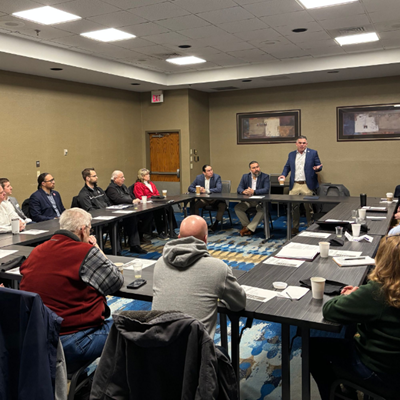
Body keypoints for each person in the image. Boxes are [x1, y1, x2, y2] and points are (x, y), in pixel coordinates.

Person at [19, 208, 123, 372]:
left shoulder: (37, 250)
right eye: (89, 229)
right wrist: (95, 246)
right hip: (73, 340)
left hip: (37, 337)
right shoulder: (85, 251)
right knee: (128, 328)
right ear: (83, 230)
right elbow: (116, 281)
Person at [310, 235, 400, 400]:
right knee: (353, 325)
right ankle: (347, 388)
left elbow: (330, 309)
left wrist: (352, 296)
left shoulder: (379, 292)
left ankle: (336, 396)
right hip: (395, 368)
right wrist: (361, 297)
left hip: (380, 374)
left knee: (312, 348)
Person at [152, 215, 246, 338]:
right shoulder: (217, 267)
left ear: (179, 237)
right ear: (205, 239)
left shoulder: (160, 263)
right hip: (197, 353)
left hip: (157, 349)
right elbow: (239, 304)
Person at [79, 168, 146, 254]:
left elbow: (108, 203)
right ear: (87, 178)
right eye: (94, 176)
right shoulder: (83, 194)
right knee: (114, 224)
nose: (97, 177)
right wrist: (105, 213)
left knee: (131, 218)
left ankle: (134, 246)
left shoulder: (99, 190)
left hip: (109, 215)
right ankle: (116, 251)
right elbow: (89, 210)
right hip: (98, 220)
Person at [278, 135, 323, 235]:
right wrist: (283, 175)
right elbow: (287, 167)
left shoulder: (313, 153)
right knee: (294, 207)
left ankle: (310, 226)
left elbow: (318, 165)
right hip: (295, 184)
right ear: (296, 144)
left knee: (308, 207)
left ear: (306, 144)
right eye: (300, 143)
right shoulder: (291, 154)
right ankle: (295, 227)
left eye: (304, 143)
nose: (302, 145)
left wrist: (317, 168)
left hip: (307, 184)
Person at [106, 170, 152, 249]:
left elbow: (131, 195)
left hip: (129, 209)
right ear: (115, 179)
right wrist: (131, 201)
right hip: (118, 214)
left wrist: (136, 200)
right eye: (121, 177)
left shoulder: (123, 186)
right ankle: (134, 245)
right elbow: (118, 200)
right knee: (132, 219)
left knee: (148, 214)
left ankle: (138, 240)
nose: (124, 179)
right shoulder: (111, 189)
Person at [133, 168, 177, 239]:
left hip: (155, 202)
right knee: (158, 211)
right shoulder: (138, 185)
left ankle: (172, 229)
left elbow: (157, 193)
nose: (149, 175)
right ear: (142, 176)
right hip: (146, 205)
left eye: (148, 174)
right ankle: (161, 231)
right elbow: (140, 197)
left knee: (169, 207)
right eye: (147, 174)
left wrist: (155, 197)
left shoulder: (151, 184)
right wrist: (152, 197)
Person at [235, 161, 270, 236]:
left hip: (260, 202)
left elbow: (266, 189)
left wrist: (254, 192)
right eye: (254, 168)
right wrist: (244, 191)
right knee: (238, 208)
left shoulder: (265, 176)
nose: (256, 169)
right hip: (248, 201)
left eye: (257, 167)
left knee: (263, 210)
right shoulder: (245, 176)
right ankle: (247, 226)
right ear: (250, 169)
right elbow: (239, 188)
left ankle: (247, 229)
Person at [188, 165, 227, 232]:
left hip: (215, 199)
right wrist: (198, 190)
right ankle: (197, 224)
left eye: (211, 170)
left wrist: (206, 190)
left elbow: (219, 189)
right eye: (208, 171)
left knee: (223, 205)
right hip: (204, 200)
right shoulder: (199, 178)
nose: (211, 172)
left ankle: (216, 224)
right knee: (194, 205)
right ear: (204, 173)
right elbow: (190, 188)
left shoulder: (217, 177)